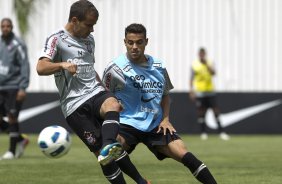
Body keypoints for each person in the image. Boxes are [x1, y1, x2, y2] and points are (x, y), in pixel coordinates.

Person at [36, 1, 149, 184]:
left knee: (113, 106)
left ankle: (140, 180)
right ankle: (107, 149)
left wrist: (104, 90)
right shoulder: (56, 39)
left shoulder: (89, 40)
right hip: (74, 106)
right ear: (75, 20)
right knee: (105, 157)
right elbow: (41, 67)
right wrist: (62, 64)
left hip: (94, 92)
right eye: (89, 25)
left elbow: (89, 67)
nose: (92, 30)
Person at [102, 23, 217, 184]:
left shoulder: (159, 67)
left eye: (139, 42)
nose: (134, 47)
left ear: (146, 41)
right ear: (125, 42)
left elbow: (165, 96)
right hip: (127, 123)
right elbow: (104, 96)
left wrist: (165, 119)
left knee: (184, 153)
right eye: (130, 42)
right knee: (108, 153)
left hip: (155, 124)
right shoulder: (115, 69)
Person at [0, 18, 30, 160]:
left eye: (8, 26)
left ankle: (11, 151)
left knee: (12, 117)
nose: (5, 28)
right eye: (3, 26)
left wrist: (23, 87)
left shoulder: (18, 44)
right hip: (0, 86)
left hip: (14, 86)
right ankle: (20, 139)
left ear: (11, 27)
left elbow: (25, 65)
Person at [189, 48, 230, 140]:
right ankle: (203, 133)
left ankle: (221, 132)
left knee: (216, 111)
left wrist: (206, 64)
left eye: (203, 54)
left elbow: (213, 73)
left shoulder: (210, 62)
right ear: (198, 54)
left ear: (205, 54)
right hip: (200, 92)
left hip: (210, 91)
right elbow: (191, 78)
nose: (202, 55)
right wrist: (191, 91)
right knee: (201, 112)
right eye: (200, 54)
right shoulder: (194, 64)